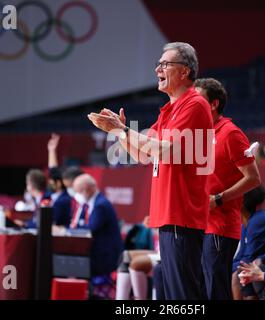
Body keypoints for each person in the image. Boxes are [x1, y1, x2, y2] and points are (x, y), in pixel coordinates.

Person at [88, 42, 213, 299]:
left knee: (184, 296)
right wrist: (118, 133)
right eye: (158, 63)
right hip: (168, 216)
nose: (158, 68)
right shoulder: (168, 110)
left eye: (165, 64)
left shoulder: (194, 104)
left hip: (183, 216)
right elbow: (142, 155)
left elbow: (167, 150)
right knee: (174, 294)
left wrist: (123, 131)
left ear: (185, 72)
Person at [193, 78, 261, 300]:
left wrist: (219, 199)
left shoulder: (230, 133)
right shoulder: (200, 133)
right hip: (199, 224)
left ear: (213, 104)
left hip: (220, 227)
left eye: (198, 99)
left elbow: (253, 178)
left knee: (216, 291)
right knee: (201, 290)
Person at [71, 174, 123, 278]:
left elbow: (90, 230)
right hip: (97, 252)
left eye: (79, 191)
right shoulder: (91, 204)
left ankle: (83, 291)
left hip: (105, 256)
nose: (77, 195)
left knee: (72, 264)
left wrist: (69, 230)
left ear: (88, 189)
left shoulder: (101, 205)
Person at [231, 185, 265, 300]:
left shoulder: (258, 221)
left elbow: (249, 257)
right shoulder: (248, 221)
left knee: (236, 276)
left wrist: (225, 268)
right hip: (255, 264)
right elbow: (241, 254)